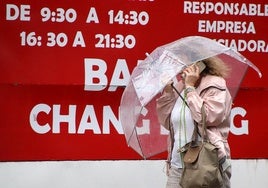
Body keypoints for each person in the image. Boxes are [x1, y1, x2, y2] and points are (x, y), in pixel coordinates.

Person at [156, 56, 232, 188]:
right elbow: (167, 122)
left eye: (186, 63)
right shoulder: (180, 86)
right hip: (178, 166)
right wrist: (168, 92)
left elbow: (209, 117)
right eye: (180, 64)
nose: (181, 68)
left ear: (201, 63)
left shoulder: (215, 84)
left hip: (206, 164)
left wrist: (190, 88)